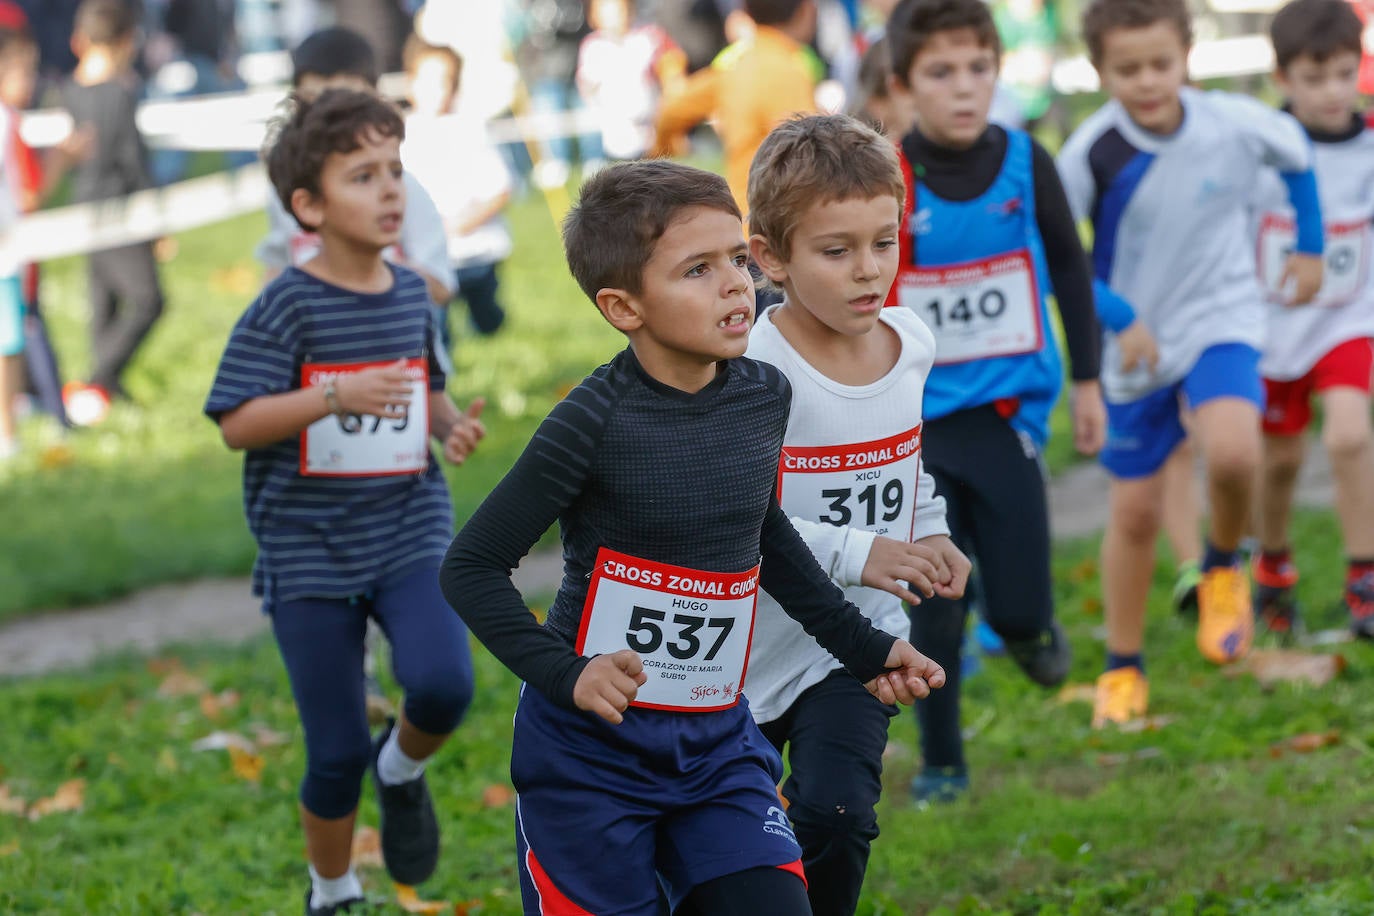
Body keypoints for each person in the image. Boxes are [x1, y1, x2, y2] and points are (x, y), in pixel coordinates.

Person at [440, 158, 946, 916]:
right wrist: (567, 671)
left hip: (714, 743)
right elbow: (471, 567)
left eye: (738, 260)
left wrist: (864, 649)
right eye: (698, 270)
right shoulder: (591, 422)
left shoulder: (760, 394)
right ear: (624, 307)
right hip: (592, 756)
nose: (736, 284)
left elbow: (763, 532)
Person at [205, 88, 486, 916]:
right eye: (363, 175)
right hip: (307, 548)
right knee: (332, 751)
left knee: (442, 685)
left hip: (407, 522)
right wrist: (332, 399)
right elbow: (238, 423)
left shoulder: (410, 293)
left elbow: (420, 387)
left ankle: (402, 770)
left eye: (395, 170)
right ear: (308, 207)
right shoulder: (285, 303)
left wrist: (445, 427)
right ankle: (333, 891)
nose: (391, 190)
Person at [1056, 0, 1324, 727]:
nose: (1147, 81)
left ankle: (1220, 568)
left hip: (1222, 314)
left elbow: (1299, 160)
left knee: (1236, 453)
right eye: (1127, 69)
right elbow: (1061, 256)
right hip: (1135, 340)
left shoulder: (1233, 123)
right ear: (1099, 69)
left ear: (1187, 56)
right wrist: (1119, 318)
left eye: (1160, 64)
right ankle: (1123, 664)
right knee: (1135, 513)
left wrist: (1309, 245)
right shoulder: (1090, 152)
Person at [743, 113, 971, 916]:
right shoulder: (748, 371)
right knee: (722, 842)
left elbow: (904, 465)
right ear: (770, 258)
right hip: (742, 655)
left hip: (856, 647)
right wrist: (858, 549)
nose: (868, 271)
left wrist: (931, 528)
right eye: (836, 251)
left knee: (835, 816)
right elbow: (734, 518)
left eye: (885, 241)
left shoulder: (910, 341)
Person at [881, 0, 1105, 799]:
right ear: (904, 84)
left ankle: (1022, 628)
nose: (963, 89)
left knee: (1016, 612)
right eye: (940, 73)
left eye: (979, 68)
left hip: (1009, 418)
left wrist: (1087, 379)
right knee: (936, 602)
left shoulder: (1024, 162)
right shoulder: (889, 176)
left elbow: (1072, 272)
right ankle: (942, 763)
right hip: (917, 427)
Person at [1251, 0, 1374, 641]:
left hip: (1347, 322)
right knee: (1280, 462)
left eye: (1343, 73)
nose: (1331, 92)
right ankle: (1272, 564)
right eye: (1314, 77)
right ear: (1283, 77)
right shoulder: (1261, 147)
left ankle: (1365, 581)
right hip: (1274, 333)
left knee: (1350, 435)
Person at [255, 27, 453, 315]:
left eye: (346, 101)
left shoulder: (401, 189)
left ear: (374, 97)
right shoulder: (282, 192)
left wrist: (364, 270)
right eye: (317, 102)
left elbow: (440, 286)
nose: (331, 119)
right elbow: (278, 264)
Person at [59, 0, 167, 427]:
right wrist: (156, 219)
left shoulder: (66, 90)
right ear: (126, 41)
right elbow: (133, 159)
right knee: (147, 301)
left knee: (103, 301)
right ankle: (96, 378)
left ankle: (107, 386)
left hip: (84, 205)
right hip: (121, 210)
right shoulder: (121, 93)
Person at [0, 21, 88, 434]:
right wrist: (63, 157)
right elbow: (30, 193)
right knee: (23, 332)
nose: (30, 80)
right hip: (11, 252)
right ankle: (51, 415)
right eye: (21, 69)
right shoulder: (7, 123)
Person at [652, 0, 820, 213]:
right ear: (806, 10)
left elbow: (671, 110)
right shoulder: (789, 72)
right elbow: (812, 156)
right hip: (779, 219)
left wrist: (662, 150)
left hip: (739, 215)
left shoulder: (735, 67)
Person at [400, 36, 510, 343]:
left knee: (485, 315)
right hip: (428, 254)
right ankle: (443, 356)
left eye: (443, 81)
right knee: (435, 319)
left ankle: (489, 320)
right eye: (427, 81)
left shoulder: (471, 130)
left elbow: (500, 188)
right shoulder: (403, 135)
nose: (435, 91)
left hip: (475, 250)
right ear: (410, 84)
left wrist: (465, 222)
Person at [576, 0, 687, 163]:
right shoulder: (592, 48)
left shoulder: (649, 36)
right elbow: (586, 88)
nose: (614, 16)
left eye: (619, 9)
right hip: (617, 136)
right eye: (606, 10)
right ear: (593, 16)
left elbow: (673, 62)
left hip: (653, 132)